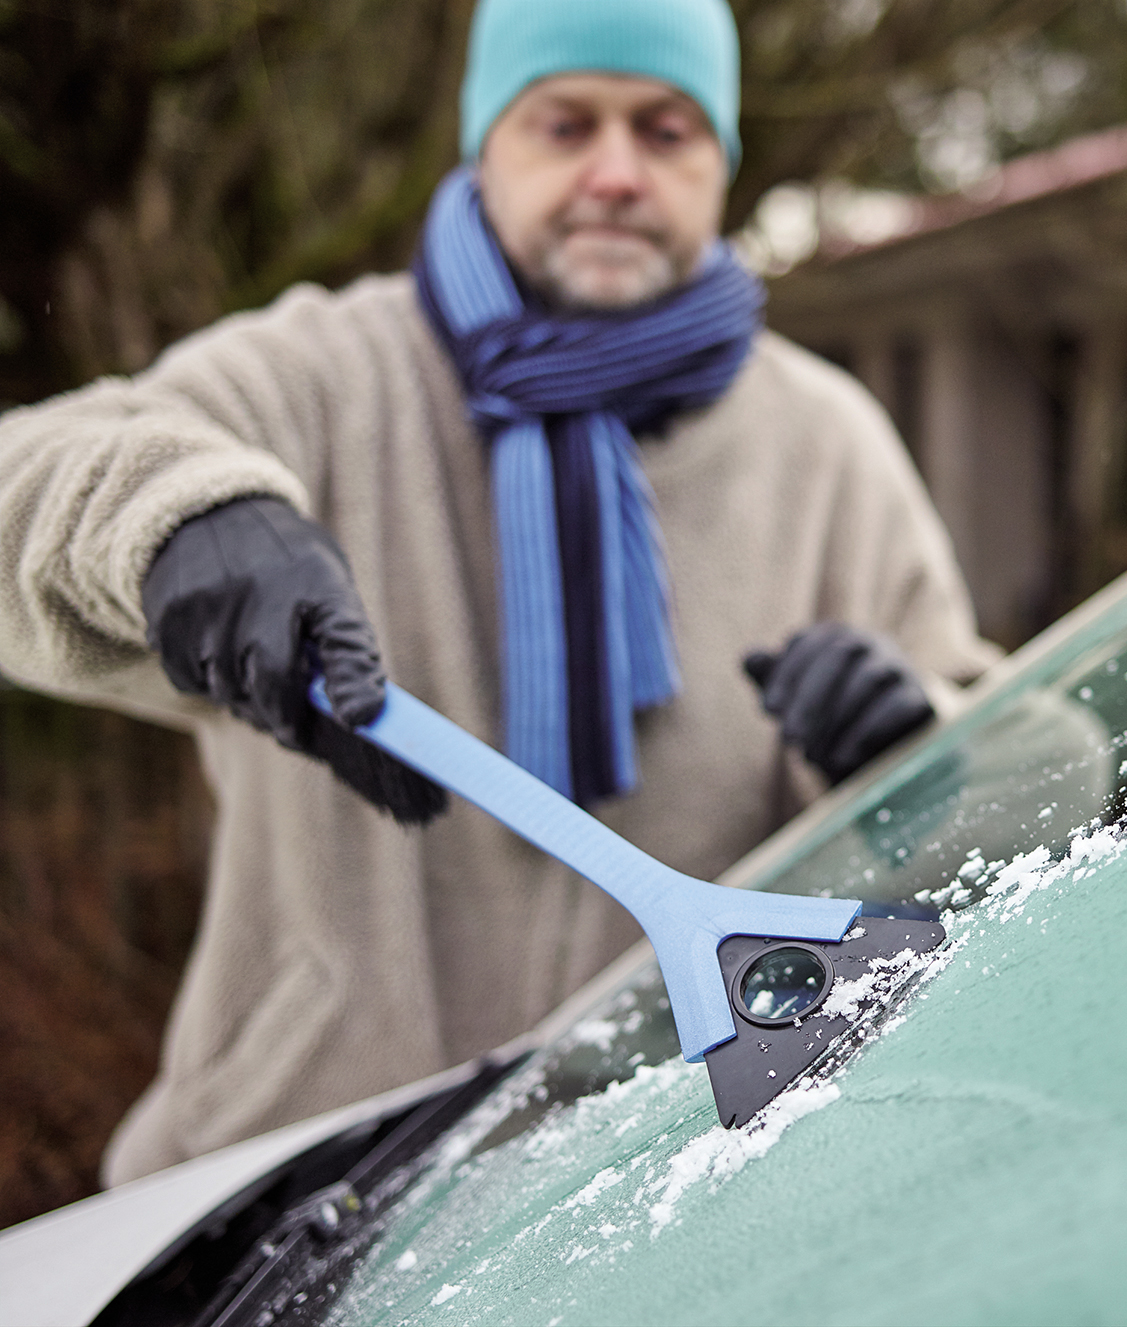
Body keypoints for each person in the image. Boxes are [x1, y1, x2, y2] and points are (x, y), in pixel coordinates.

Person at [0, 0, 998, 1185]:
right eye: (564, 125)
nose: (616, 173)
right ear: (486, 146)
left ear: (721, 166)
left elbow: (1014, 782)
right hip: (286, 1185)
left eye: (666, 131)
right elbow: (36, 468)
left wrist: (916, 749)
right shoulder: (324, 375)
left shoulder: (828, 443)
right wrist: (180, 521)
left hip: (664, 1191)